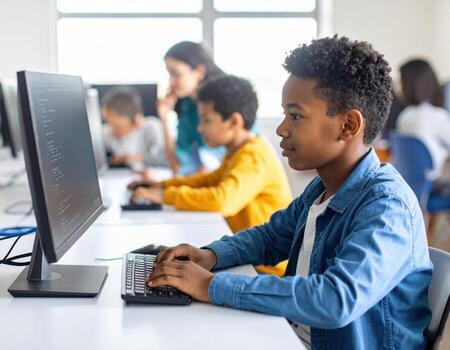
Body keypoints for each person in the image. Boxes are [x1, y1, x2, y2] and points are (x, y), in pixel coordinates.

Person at [146, 37, 432, 349]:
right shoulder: (322, 189)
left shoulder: (385, 207)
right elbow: (270, 237)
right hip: (293, 336)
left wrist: (212, 286)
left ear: (348, 125)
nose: (281, 129)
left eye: (295, 116)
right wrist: (211, 255)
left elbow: (335, 300)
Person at [130, 75, 292, 276]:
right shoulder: (237, 151)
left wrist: (165, 196)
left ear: (233, 122)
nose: (200, 127)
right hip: (244, 259)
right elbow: (207, 181)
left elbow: (222, 200)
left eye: (206, 120)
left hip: (264, 269)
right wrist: (162, 185)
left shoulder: (253, 156)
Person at [158, 41, 226, 176]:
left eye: (176, 74)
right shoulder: (186, 107)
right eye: (169, 74)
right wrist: (164, 117)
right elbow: (176, 166)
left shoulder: (226, 105)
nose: (170, 82)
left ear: (200, 72)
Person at [396, 59, 450, 181]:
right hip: (432, 183)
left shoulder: (405, 116)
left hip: (412, 185)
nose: (398, 86)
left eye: (401, 81)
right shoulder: (438, 116)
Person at [102, 87, 168, 169]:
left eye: (119, 127)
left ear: (135, 120)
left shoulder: (151, 127)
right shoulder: (106, 132)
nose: (113, 130)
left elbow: (168, 160)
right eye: (109, 123)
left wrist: (138, 158)